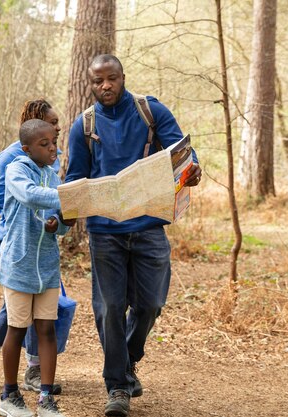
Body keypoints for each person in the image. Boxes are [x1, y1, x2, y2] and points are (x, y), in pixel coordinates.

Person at [65, 55, 202, 417]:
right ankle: (117, 387)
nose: (105, 86)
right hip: (104, 233)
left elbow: (181, 154)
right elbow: (75, 178)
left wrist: (193, 169)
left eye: (111, 79)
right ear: (90, 83)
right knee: (109, 308)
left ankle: (127, 361)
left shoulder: (150, 111)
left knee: (150, 304)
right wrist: (60, 214)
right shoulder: (84, 125)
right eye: (98, 81)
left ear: (123, 78)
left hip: (148, 227)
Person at [0, 99, 65, 394]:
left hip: (43, 242)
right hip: (14, 238)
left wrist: (60, 222)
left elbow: (53, 196)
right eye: (53, 122)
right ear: (35, 124)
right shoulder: (10, 158)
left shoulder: (51, 155)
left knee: (34, 311)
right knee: (16, 311)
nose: (58, 128)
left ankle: (32, 367)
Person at [0, 119, 74, 417]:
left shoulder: (53, 177)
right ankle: (10, 394)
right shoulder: (16, 169)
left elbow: (62, 226)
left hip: (48, 267)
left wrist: (61, 222)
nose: (52, 147)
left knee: (46, 330)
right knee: (16, 329)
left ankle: (45, 399)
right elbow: (29, 195)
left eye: (53, 141)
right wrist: (68, 196)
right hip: (19, 264)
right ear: (28, 149)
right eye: (44, 144)